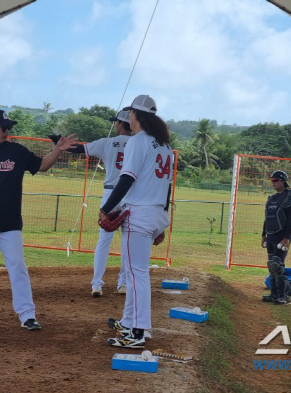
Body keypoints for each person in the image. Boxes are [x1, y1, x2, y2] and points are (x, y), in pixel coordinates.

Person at [0, 108, 78, 332]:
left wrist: (57, 149)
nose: (7, 131)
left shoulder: (16, 151)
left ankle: (27, 314)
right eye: (3, 127)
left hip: (10, 223)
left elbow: (41, 165)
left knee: (18, 268)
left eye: (8, 128)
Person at [98, 95, 173, 349]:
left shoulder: (138, 142)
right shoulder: (164, 145)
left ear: (135, 115)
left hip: (140, 214)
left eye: (130, 111)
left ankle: (138, 333)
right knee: (133, 272)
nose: (128, 115)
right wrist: (161, 223)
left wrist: (106, 208)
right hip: (154, 213)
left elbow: (126, 179)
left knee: (136, 273)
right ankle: (130, 321)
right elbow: (167, 188)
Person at [52, 109, 132, 297]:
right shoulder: (139, 144)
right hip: (132, 196)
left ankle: (97, 284)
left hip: (110, 194)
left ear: (120, 124)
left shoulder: (107, 143)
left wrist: (57, 141)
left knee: (104, 240)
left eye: (116, 122)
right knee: (128, 241)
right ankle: (123, 283)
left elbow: (78, 148)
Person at [261, 170, 291, 305]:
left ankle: (285, 296)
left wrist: (287, 238)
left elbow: (290, 219)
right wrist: (263, 235)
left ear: (283, 181)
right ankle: (274, 294)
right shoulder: (272, 198)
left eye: (275, 180)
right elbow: (267, 218)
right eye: (272, 181)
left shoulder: (290, 197)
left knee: (277, 264)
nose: (273, 183)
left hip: (281, 236)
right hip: (270, 236)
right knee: (272, 265)